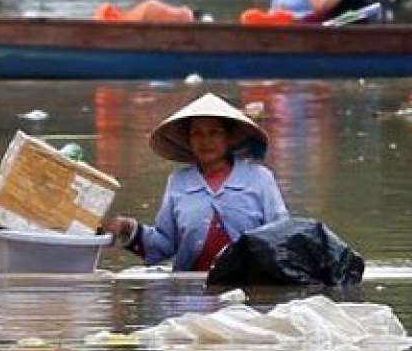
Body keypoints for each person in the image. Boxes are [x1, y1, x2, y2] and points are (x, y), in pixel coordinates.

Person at [103, 92, 288, 272]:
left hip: (248, 287)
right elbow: (164, 245)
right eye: (196, 134)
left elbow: (281, 236)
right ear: (188, 140)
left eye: (214, 133)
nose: (205, 141)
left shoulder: (259, 178)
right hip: (190, 290)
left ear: (229, 138)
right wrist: (128, 228)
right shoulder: (179, 182)